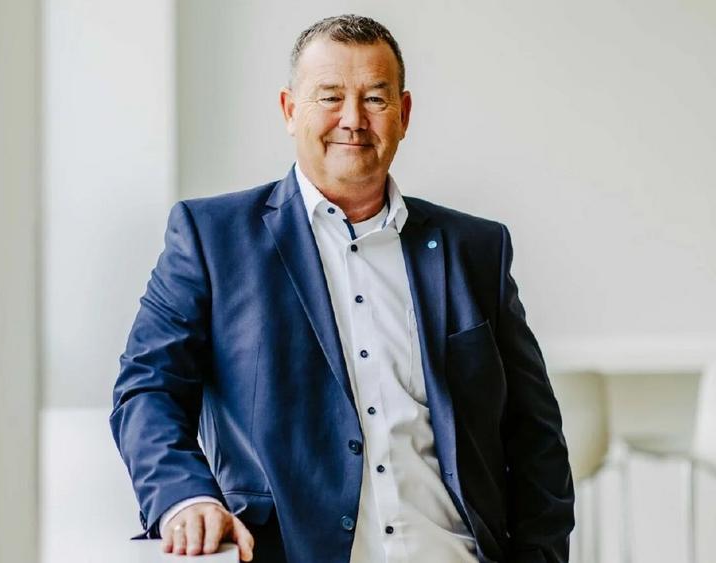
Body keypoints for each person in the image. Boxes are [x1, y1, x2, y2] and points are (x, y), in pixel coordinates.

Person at [110, 14, 574, 563]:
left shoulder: (476, 249)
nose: (353, 120)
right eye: (330, 97)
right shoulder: (212, 237)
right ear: (290, 110)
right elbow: (148, 388)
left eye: (375, 99)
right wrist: (185, 498)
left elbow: (535, 434)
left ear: (403, 114)